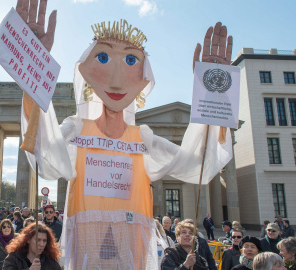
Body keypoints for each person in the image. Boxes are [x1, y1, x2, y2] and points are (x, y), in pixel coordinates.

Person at [12, 0, 234, 266]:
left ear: (143, 79)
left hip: (132, 254)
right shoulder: (78, 129)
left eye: (130, 60)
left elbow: (197, 163)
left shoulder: (143, 139)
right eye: (103, 58)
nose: (116, 79)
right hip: (87, 252)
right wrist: (32, 64)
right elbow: (44, 156)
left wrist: (212, 90)